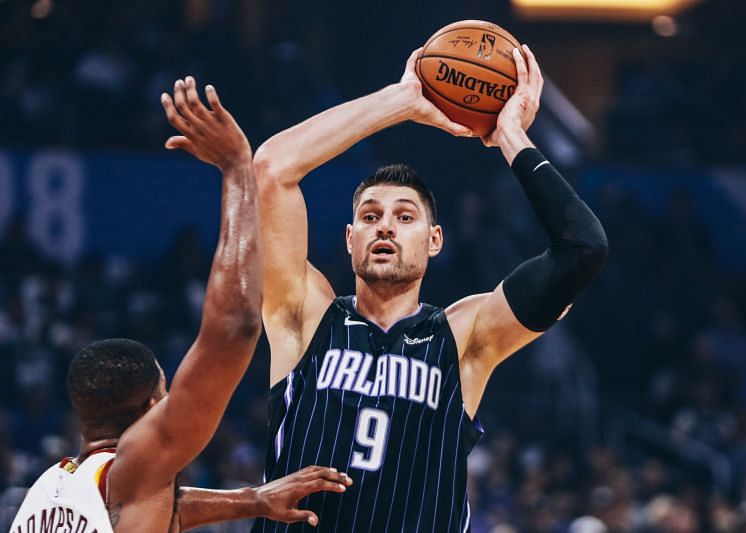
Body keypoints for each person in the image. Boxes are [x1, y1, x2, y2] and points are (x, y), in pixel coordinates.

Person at [251, 44, 608, 532]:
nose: (385, 228)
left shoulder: (466, 338)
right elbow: (272, 168)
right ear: (350, 238)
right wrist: (402, 100)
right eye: (370, 216)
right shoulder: (303, 315)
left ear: (435, 240)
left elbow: (582, 248)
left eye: (405, 217)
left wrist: (509, 136)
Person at [9, 77, 350, 533]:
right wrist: (236, 170)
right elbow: (234, 329)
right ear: (152, 406)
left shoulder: (55, 487)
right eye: (167, 393)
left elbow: (156, 505)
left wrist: (253, 500)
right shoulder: (133, 467)